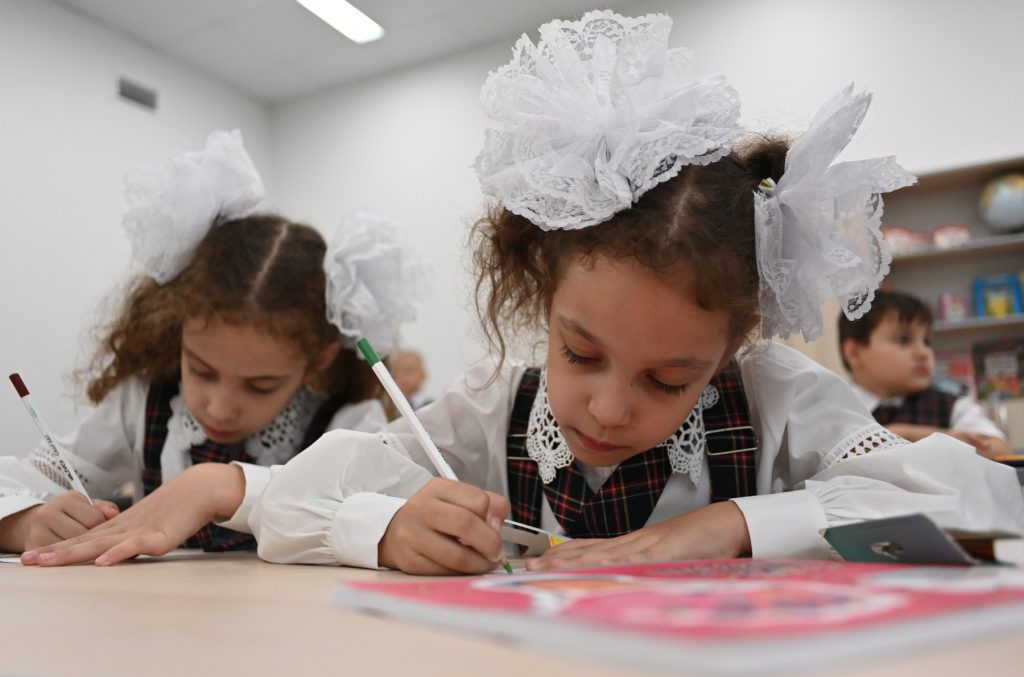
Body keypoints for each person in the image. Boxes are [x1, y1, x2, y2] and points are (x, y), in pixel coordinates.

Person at [28, 12, 1024, 571]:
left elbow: (973, 492)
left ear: (730, 348)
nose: (607, 407)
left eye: (670, 378)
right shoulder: (486, 410)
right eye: (581, 351)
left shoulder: (775, 398)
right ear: (538, 292)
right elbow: (304, 492)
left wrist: (722, 525)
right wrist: (383, 525)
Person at [4, 131, 423, 560]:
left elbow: (392, 518)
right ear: (177, 329)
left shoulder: (350, 424)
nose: (219, 409)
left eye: (260, 386)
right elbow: (13, 483)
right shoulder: (142, 401)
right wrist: (26, 521)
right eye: (201, 371)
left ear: (319, 361)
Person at [838, 290, 1011, 458]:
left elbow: (998, 450)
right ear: (855, 354)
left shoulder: (952, 406)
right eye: (904, 339)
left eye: (926, 341)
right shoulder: (836, 410)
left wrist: (904, 434)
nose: (923, 353)